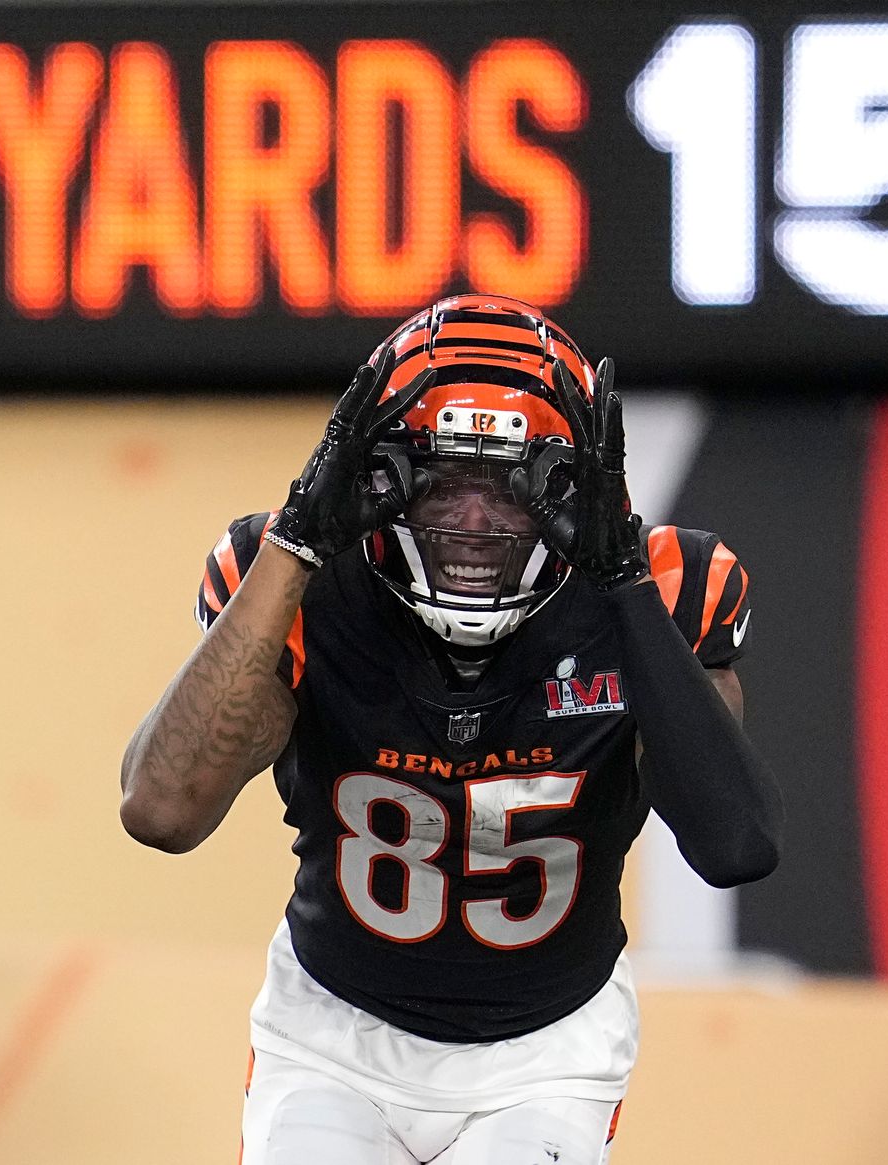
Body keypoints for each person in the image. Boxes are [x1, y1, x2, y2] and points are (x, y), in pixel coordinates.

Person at [120, 294, 783, 1164]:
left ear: (571, 484)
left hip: (546, 1050)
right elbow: (161, 810)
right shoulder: (297, 583)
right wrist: (298, 540)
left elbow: (735, 843)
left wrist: (623, 585)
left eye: (508, 491)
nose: (471, 524)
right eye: (444, 484)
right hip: (334, 1032)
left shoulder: (659, 585)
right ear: (381, 474)